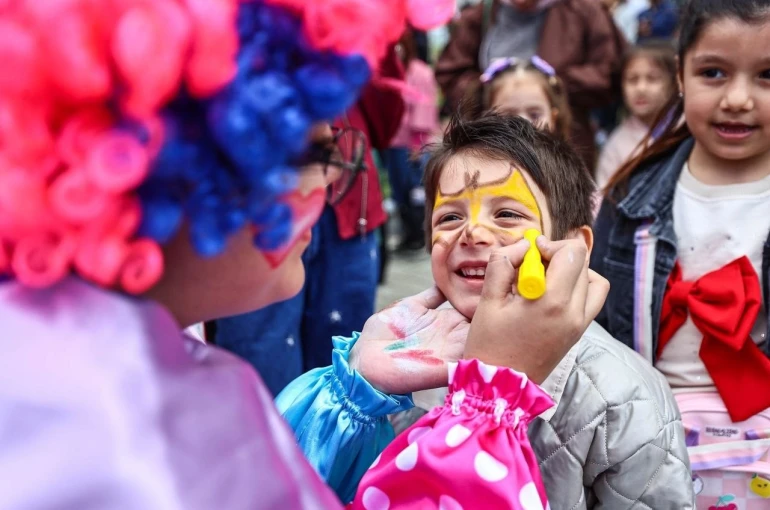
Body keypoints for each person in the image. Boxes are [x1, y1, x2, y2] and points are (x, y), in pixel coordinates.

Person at [0, 1, 611, 509]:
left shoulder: (100, 361)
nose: (332, 180)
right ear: (175, 174)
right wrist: (490, 400)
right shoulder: (91, 432)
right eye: (309, 155)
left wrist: (355, 392)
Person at [380, 113, 693, 508]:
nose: (471, 232)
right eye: (450, 217)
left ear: (574, 247)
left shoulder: (621, 394)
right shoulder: (406, 361)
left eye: (507, 214)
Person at [592, 0, 770, 506]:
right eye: (713, 72)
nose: (737, 99)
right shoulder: (629, 198)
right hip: (648, 446)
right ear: (680, 74)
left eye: (767, 75)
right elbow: (595, 333)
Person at [211, 56, 404, 396]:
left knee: (344, 374)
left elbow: (386, 120)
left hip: (349, 210)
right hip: (258, 207)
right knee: (261, 374)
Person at [435, 0, 626, 168]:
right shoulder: (480, 15)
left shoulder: (583, 11)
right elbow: (450, 74)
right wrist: (491, 87)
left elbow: (611, 72)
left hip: (563, 146)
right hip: (493, 150)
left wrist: (549, 83)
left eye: (533, 114)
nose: (522, 122)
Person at [383, 29, 440, 252]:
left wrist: (418, 144)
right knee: (399, 192)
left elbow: (423, 108)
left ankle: (420, 235)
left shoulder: (420, 72)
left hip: (413, 145)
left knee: (415, 191)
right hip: (393, 143)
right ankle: (409, 234)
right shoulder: (393, 71)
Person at [595, 42, 677, 190]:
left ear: (674, 84)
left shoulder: (687, 129)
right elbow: (605, 195)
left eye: (652, 79)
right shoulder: (616, 146)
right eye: (632, 80)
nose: (641, 88)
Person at [472, 55, 572, 140]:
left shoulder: (564, 157)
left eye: (534, 115)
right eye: (509, 116)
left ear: (553, 118)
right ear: (488, 119)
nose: (524, 123)